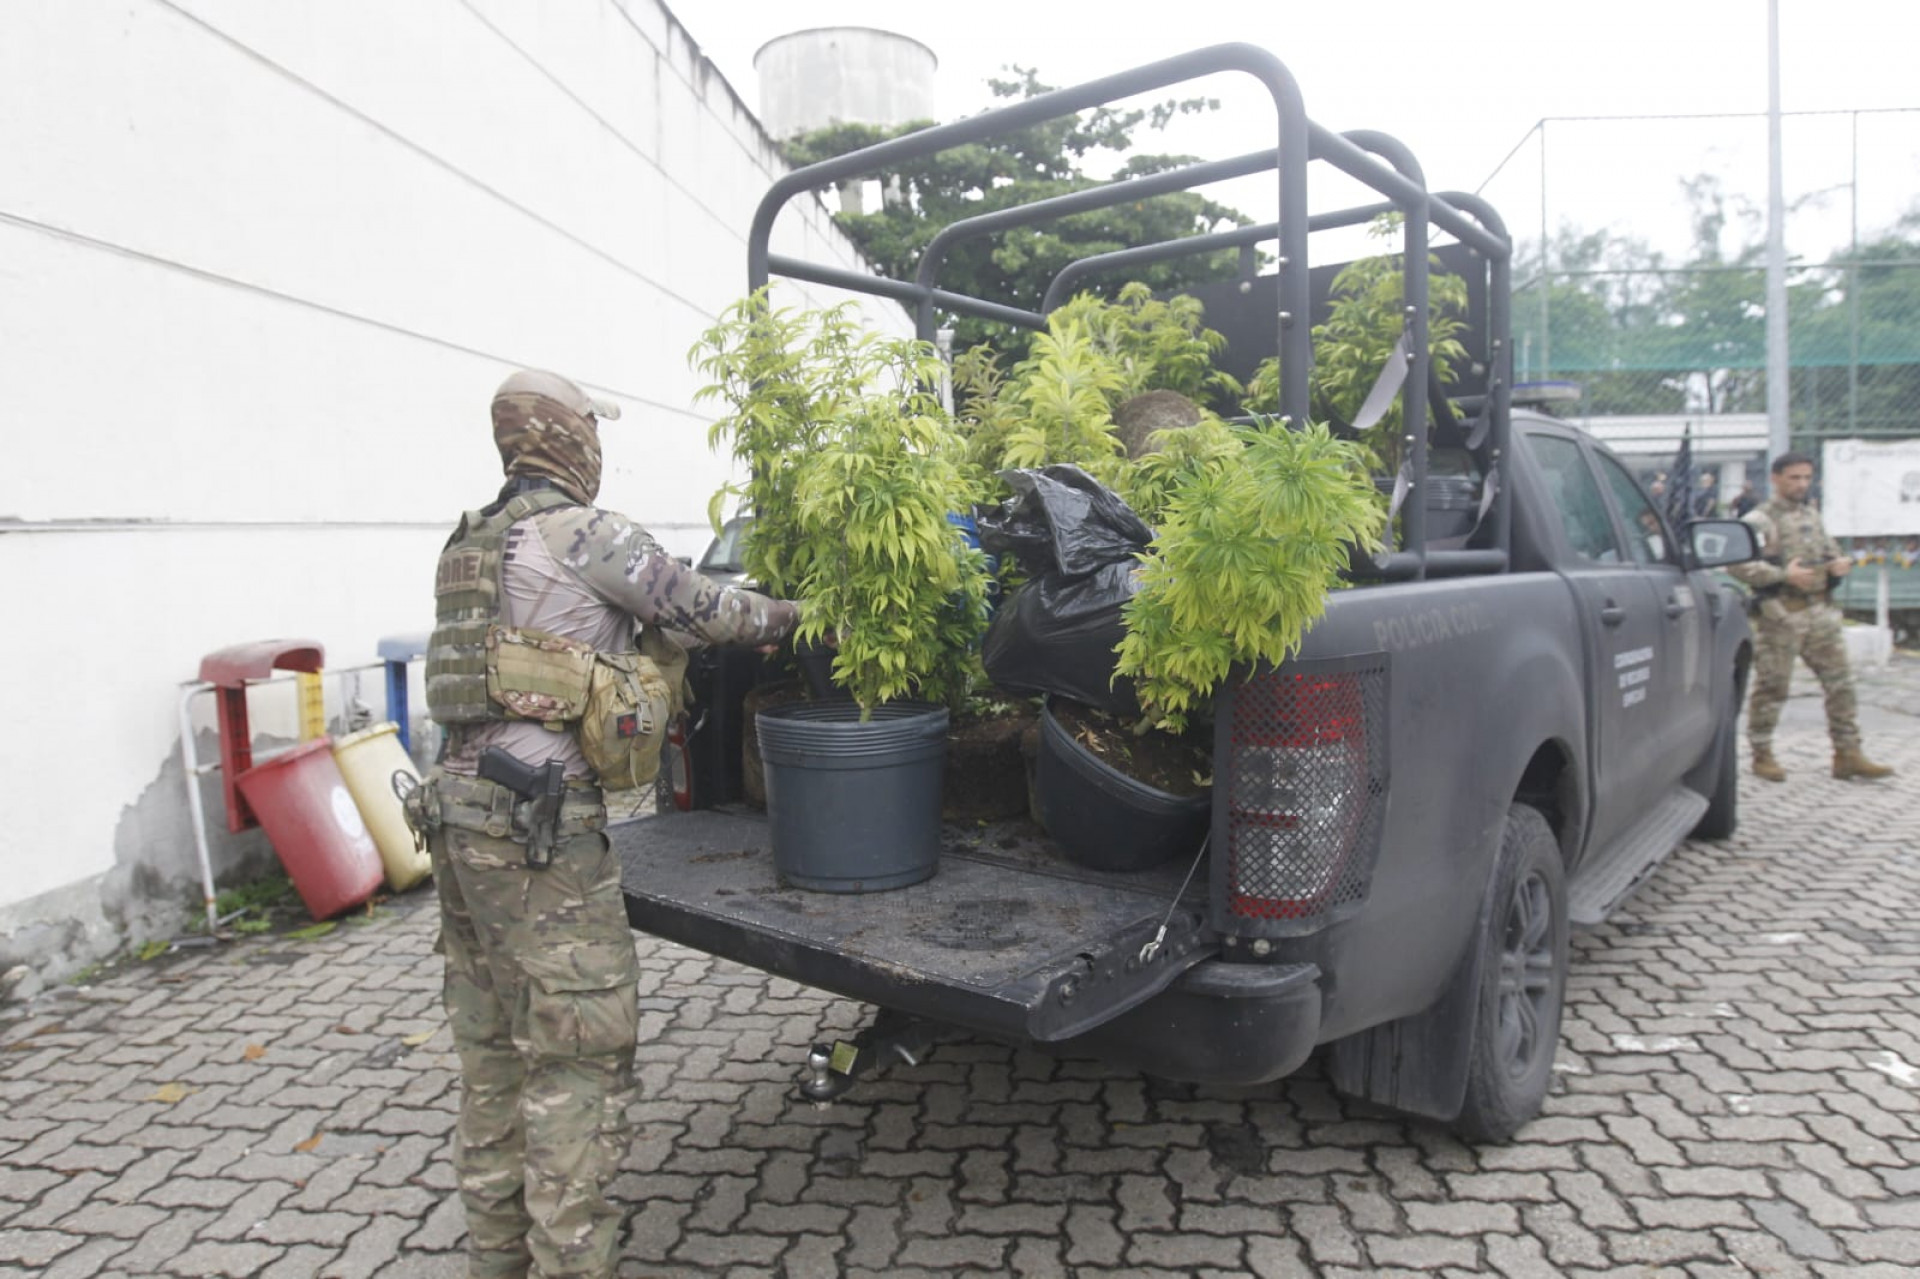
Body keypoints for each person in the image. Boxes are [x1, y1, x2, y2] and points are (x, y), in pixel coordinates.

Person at [416, 370, 799, 1278]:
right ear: (565, 437)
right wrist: (790, 617)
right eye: (591, 428)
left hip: (458, 819)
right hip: (536, 830)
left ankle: (499, 1259)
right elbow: (705, 608)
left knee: (492, 1053)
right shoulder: (584, 534)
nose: (598, 445)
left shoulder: (467, 543)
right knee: (577, 1055)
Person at [1726, 451, 1893, 783]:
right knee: (1773, 686)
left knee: (1841, 683)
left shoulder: (1811, 516)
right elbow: (1737, 563)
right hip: (1781, 615)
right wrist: (1781, 575)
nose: (1801, 484)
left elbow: (1827, 551)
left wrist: (1837, 565)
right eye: (1794, 478)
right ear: (1776, 478)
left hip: (1819, 612)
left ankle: (1848, 753)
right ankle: (1762, 753)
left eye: (1806, 477)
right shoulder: (1761, 520)